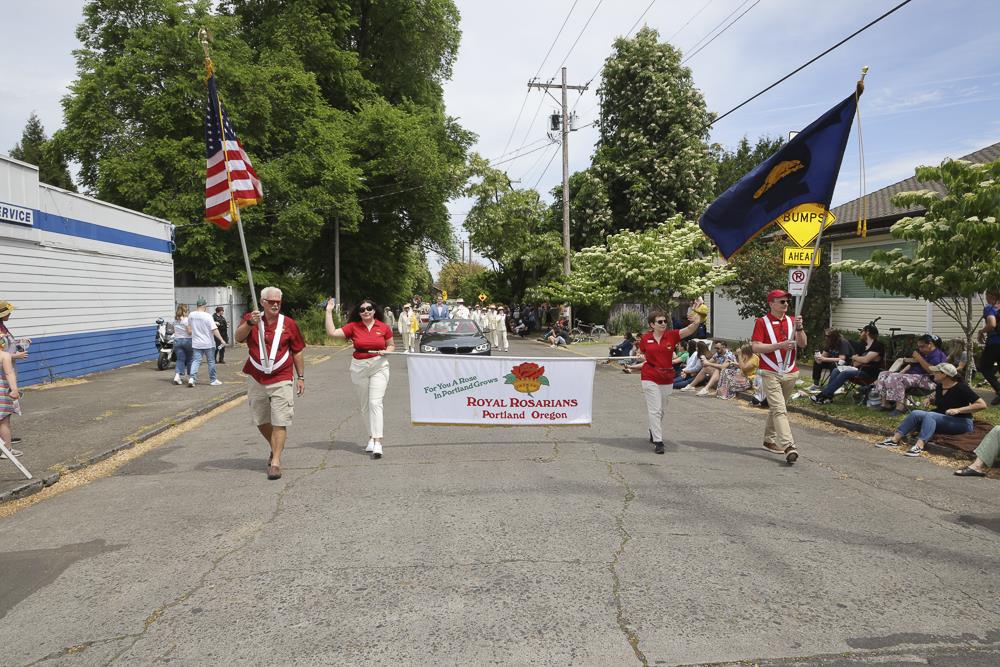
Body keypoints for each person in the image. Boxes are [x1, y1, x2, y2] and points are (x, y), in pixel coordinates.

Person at [235, 287, 306, 480]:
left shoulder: (289, 324)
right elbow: (238, 338)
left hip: (281, 376)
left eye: (278, 302)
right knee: (261, 420)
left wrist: (300, 377)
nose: (275, 305)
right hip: (256, 376)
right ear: (262, 302)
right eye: (271, 302)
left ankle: (275, 462)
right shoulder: (251, 319)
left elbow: (297, 350)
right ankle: (274, 446)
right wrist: (250, 323)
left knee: (280, 421)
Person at [325, 297, 394, 459]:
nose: (366, 311)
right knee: (365, 405)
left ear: (374, 310)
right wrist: (328, 312)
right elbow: (332, 333)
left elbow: (391, 345)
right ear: (359, 313)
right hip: (359, 367)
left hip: (379, 366)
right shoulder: (353, 327)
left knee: (375, 402)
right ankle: (371, 437)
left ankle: (378, 441)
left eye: (369, 308)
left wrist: (387, 351)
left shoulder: (383, 327)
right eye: (362, 310)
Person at [876, 363, 986, 457]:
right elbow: (945, 401)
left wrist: (958, 410)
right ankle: (895, 439)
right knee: (915, 413)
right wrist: (930, 400)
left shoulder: (962, 388)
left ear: (944, 374)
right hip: (945, 418)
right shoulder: (940, 387)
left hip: (962, 422)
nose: (933, 374)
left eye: (936, 372)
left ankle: (919, 446)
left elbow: (982, 404)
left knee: (931, 415)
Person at [751, 289, 808, 464]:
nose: (785, 304)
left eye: (787, 301)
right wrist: (779, 345)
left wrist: (800, 328)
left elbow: (803, 344)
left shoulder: (792, 321)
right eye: (781, 301)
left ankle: (769, 440)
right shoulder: (762, 322)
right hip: (770, 371)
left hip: (790, 372)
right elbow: (755, 347)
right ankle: (788, 446)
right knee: (779, 409)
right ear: (771, 304)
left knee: (777, 408)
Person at [633, 310, 700, 454]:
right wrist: (641, 356)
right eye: (660, 322)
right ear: (652, 324)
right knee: (655, 410)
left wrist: (696, 321)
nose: (663, 324)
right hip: (650, 376)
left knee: (661, 410)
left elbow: (689, 330)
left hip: (666, 377)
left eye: (665, 321)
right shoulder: (645, 338)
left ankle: (653, 429)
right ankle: (658, 442)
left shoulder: (671, 335)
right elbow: (641, 352)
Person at [810, 322, 884, 405]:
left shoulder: (878, 345)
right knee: (836, 370)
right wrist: (860, 359)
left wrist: (858, 358)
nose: (860, 333)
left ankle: (822, 396)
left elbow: (865, 360)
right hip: (857, 369)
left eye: (861, 331)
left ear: (867, 332)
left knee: (845, 373)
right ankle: (829, 397)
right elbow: (855, 363)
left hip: (869, 374)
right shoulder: (863, 345)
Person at [870, 334, 947, 414]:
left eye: (922, 346)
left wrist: (919, 358)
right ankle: (885, 404)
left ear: (930, 344)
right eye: (919, 347)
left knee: (896, 377)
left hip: (928, 380)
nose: (920, 349)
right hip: (913, 377)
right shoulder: (924, 353)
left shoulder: (938, 355)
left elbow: (932, 371)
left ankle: (900, 407)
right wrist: (901, 372)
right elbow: (912, 364)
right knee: (883, 374)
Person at [0, 300, 29, 447]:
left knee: (7, 410)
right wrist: (15, 356)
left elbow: (8, 346)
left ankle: (6, 438)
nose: (10, 314)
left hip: (8, 369)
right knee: (4, 412)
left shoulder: (3, 327)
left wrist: (19, 342)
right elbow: (2, 354)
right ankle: (6, 445)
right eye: (8, 312)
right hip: (3, 373)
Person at [188, 297, 226, 387]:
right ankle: (213, 380)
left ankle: (192, 378)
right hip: (208, 343)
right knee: (211, 362)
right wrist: (221, 340)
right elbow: (214, 329)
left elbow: (189, 329)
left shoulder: (191, 315)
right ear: (204, 306)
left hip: (196, 343)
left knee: (196, 361)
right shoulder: (208, 316)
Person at [979, 291, 1000, 405]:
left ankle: (999, 390)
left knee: (984, 367)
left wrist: (981, 331)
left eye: (986, 295)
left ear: (991, 296)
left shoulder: (990, 307)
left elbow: (992, 324)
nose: (986, 297)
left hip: (994, 343)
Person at [0, 349, 22, 458]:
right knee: (4, 421)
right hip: (1, 392)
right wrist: (14, 389)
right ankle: (7, 450)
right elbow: (9, 373)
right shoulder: (4, 355)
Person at [172, 303, 193, 386]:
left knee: (180, 359)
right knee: (190, 359)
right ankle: (190, 377)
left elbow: (175, 332)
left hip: (177, 341)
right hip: (187, 340)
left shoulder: (175, 320)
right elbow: (189, 332)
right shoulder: (186, 320)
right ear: (185, 311)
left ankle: (177, 376)